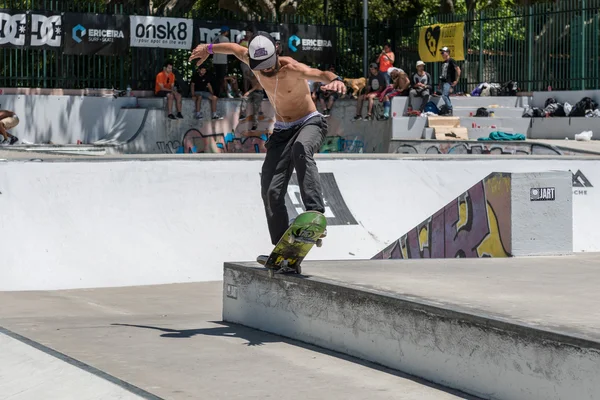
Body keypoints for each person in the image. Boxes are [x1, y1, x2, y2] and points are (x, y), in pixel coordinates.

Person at [189, 32, 346, 258]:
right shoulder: (252, 61)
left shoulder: (291, 67)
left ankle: (315, 214)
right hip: (282, 130)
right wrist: (208, 48)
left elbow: (320, 73)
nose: (264, 70)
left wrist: (336, 79)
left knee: (300, 149)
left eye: (268, 65)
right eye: (259, 66)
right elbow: (234, 48)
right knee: (270, 190)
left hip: (309, 122)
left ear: (276, 54)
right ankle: (285, 248)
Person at [439, 47, 461, 115]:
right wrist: (440, 83)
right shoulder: (443, 62)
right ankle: (447, 109)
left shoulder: (451, 60)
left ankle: (449, 109)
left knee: (444, 95)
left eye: (443, 52)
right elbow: (443, 73)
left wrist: (456, 80)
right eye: (441, 53)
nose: (442, 54)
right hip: (443, 81)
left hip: (448, 81)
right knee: (446, 96)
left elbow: (458, 69)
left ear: (447, 53)